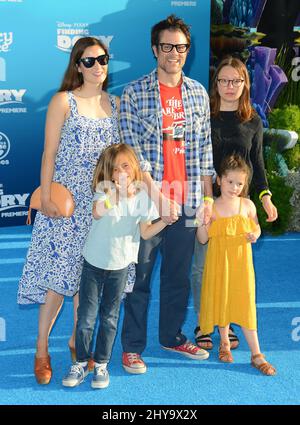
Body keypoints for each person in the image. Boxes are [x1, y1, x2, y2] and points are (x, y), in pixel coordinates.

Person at [17, 36, 121, 385]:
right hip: (64, 206)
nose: (97, 66)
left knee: (88, 284)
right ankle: (42, 349)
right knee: (56, 285)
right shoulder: (63, 101)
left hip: (98, 207)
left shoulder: (115, 104)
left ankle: (79, 344)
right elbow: (48, 154)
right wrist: (45, 198)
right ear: (77, 65)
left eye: (102, 59)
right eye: (89, 61)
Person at [119, 14, 214, 374]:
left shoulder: (198, 93)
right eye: (167, 46)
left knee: (177, 275)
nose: (175, 52)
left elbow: (204, 150)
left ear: (188, 51)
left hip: (187, 196)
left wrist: (206, 199)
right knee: (139, 276)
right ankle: (132, 347)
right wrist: (158, 198)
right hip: (147, 200)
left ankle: (172, 337)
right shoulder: (133, 93)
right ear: (155, 49)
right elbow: (131, 156)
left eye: (181, 47)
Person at [62, 143, 167, 388]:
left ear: (135, 167)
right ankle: (80, 363)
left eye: (126, 165)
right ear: (109, 174)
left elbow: (146, 231)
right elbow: (98, 212)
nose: (121, 171)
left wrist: (166, 221)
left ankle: (101, 365)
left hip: (120, 268)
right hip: (93, 264)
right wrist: (117, 194)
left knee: (109, 318)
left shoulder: (143, 197)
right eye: (116, 168)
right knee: (86, 318)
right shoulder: (104, 190)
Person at [191, 55, 278, 351]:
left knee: (234, 269)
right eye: (224, 80)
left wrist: (265, 197)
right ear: (215, 84)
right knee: (202, 267)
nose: (230, 86)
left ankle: (227, 323)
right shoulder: (205, 117)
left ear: (245, 84)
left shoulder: (253, 120)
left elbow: (258, 162)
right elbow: (199, 161)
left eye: (236, 81)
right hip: (208, 201)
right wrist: (205, 199)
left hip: (240, 205)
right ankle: (205, 322)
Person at [197, 154, 276, 376]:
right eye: (230, 182)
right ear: (219, 180)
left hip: (242, 266)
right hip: (219, 264)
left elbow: (257, 228)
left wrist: (255, 234)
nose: (234, 187)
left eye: (240, 183)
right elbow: (202, 239)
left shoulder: (248, 205)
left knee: (246, 305)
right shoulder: (211, 209)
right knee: (222, 300)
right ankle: (223, 342)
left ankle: (257, 354)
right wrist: (201, 221)